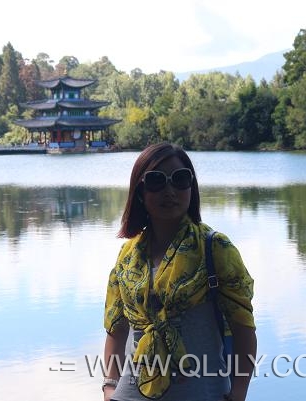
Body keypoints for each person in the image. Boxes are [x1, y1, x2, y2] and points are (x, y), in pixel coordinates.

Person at [103, 142, 256, 401]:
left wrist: (239, 392)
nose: (169, 191)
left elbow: (244, 329)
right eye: (156, 181)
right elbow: (116, 330)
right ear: (140, 192)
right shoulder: (128, 256)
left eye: (180, 179)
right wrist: (109, 387)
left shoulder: (215, 248)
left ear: (191, 187)